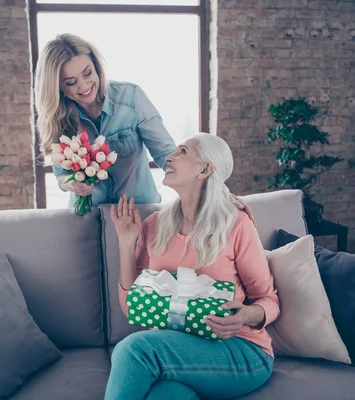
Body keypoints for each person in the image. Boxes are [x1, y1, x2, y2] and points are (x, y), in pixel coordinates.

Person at [106, 133, 279, 400]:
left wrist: (244, 315)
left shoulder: (236, 225)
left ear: (205, 169)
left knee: (133, 350)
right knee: (165, 395)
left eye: (182, 152)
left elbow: (269, 300)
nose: (169, 157)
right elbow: (132, 307)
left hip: (241, 351)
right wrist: (127, 243)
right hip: (182, 351)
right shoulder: (154, 225)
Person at [34, 33, 176, 206]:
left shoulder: (130, 97)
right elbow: (61, 175)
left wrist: (192, 185)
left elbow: (165, 153)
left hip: (139, 211)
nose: (84, 85)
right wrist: (72, 184)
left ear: (96, 66)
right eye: (71, 82)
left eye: (88, 73)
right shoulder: (59, 117)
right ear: (58, 86)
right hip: (88, 216)